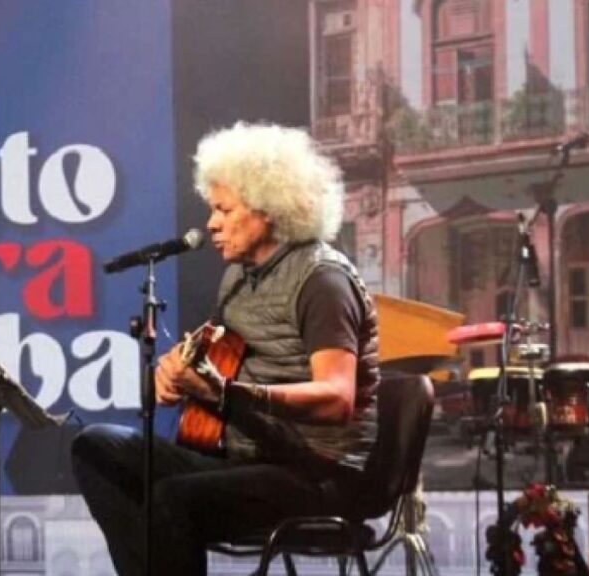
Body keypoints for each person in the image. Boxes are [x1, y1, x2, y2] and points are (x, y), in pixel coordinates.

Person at [71, 122, 381, 575]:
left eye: (223, 209)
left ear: (269, 208)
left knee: (172, 498)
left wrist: (224, 393)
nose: (211, 223)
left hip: (318, 472)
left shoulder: (323, 281)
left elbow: (337, 398)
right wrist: (179, 368)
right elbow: (217, 356)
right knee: (95, 448)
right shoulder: (238, 277)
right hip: (246, 456)